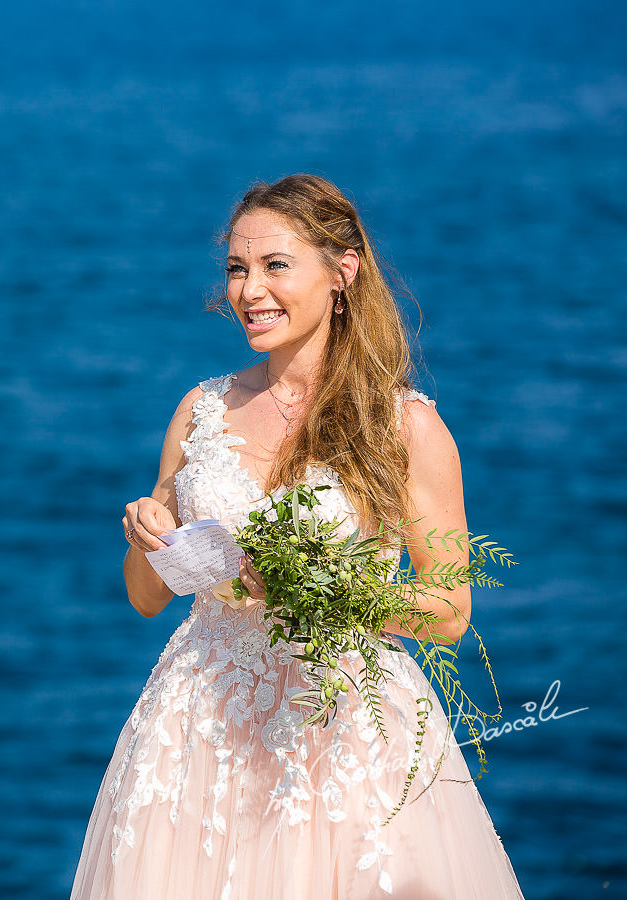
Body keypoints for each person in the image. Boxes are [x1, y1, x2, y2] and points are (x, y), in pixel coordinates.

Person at [70, 174, 523, 898]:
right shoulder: (200, 410)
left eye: (275, 265)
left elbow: (448, 611)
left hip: (344, 737)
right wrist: (144, 535)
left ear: (342, 272)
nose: (250, 291)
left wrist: (322, 594)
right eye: (238, 269)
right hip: (198, 731)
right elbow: (146, 596)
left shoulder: (405, 427)